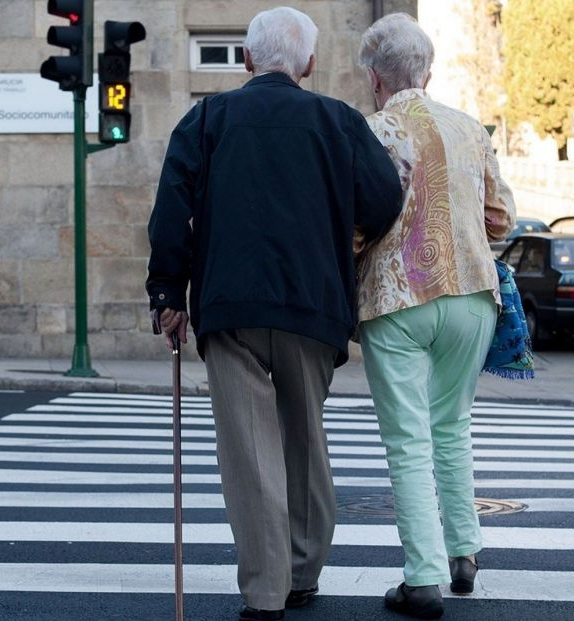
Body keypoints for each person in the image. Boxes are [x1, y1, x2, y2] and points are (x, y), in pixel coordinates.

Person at [146, 7, 403, 620]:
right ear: (310, 64)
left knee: (249, 451)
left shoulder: (207, 117)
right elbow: (385, 198)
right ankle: (303, 571)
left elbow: (169, 211)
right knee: (304, 438)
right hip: (312, 305)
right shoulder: (337, 120)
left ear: (246, 60)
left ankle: (265, 593)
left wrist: (167, 296)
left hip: (229, 307)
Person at [355, 13, 516, 620]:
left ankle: (422, 579)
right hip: (474, 296)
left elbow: (357, 220)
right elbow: (499, 216)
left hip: (397, 298)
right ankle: (465, 553)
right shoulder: (470, 128)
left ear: (374, 77)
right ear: (429, 70)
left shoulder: (373, 129)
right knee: (453, 425)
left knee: (407, 439)